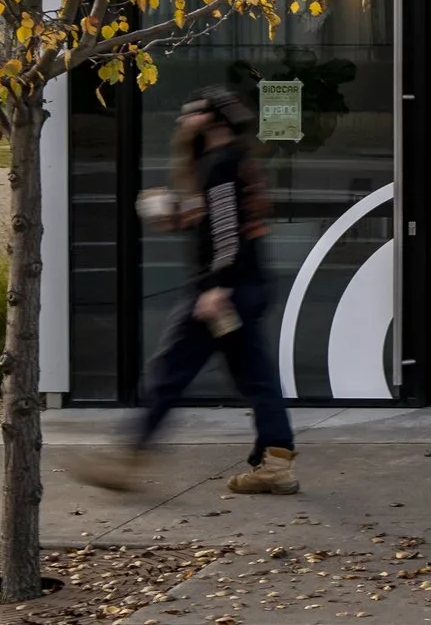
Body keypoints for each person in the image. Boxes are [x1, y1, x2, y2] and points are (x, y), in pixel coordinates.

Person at [70, 88, 299, 495]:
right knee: (255, 377)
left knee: (169, 372)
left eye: (190, 111)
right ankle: (276, 464)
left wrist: (215, 288)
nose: (182, 119)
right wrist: (174, 213)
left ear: (214, 120)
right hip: (241, 287)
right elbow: (220, 223)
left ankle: (127, 457)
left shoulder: (222, 164)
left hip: (220, 291)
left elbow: (228, 235)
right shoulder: (223, 163)